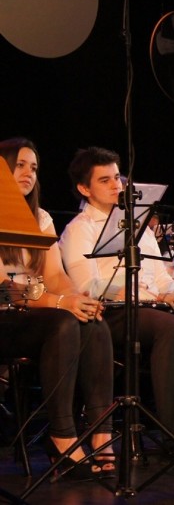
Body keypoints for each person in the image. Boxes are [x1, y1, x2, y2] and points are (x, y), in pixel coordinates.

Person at [59, 146, 174, 443]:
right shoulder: (79, 229)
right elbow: (87, 286)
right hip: (111, 314)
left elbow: (160, 276)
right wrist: (151, 297)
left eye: (117, 179)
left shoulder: (138, 225)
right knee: (170, 328)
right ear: (84, 188)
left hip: (151, 306)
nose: (116, 186)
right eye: (104, 180)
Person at [0, 137, 115, 478]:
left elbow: (55, 276)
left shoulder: (39, 218)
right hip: (5, 315)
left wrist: (77, 300)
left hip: (33, 314)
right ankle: (61, 437)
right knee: (62, 323)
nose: (29, 173)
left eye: (33, 167)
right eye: (19, 165)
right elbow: (6, 291)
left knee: (92, 323)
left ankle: (101, 433)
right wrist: (58, 302)